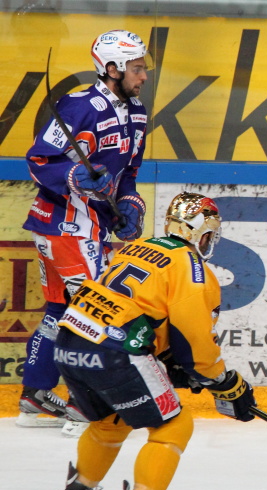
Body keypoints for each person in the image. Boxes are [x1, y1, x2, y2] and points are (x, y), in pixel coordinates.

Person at [51, 192, 256, 490]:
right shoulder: (193, 269)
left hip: (71, 340)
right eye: (209, 232)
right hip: (116, 350)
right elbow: (195, 344)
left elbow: (139, 309)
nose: (210, 240)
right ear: (199, 231)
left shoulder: (137, 247)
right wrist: (226, 383)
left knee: (111, 420)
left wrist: (171, 361)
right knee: (174, 424)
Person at [18, 30, 150, 436]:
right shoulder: (77, 107)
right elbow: (39, 160)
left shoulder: (138, 113)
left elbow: (128, 174)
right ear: (111, 68)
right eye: (137, 67)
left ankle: (35, 394)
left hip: (79, 227)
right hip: (66, 226)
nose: (144, 75)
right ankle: (86, 405)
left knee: (61, 310)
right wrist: (75, 174)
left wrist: (130, 205)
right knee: (97, 309)